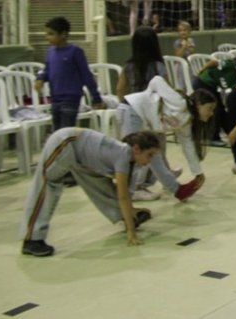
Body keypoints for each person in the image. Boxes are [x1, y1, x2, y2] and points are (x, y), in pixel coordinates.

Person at [20, 129, 160, 257]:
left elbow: (124, 194)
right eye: (150, 155)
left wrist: (131, 212)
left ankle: (126, 216)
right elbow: (123, 197)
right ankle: (32, 239)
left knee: (99, 183)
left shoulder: (129, 159)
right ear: (136, 149)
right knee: (48, 182)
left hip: (79, 154)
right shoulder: (123, 156)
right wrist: (131, 233)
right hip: (65, 141)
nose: (150, 160)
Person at [118, 76, 214, 201]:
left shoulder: (187, 121)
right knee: (132, 154)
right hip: (131, 109)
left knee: (154, 155)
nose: (211, 113)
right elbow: (157, 80)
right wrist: (147, 96)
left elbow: (188, 145)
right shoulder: (179, 102)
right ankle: (131, 190)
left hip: (142, 118)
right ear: (198, 104)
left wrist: (198, 173)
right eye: (209, 108)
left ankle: (177, 190)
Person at [35, 17, 103, 130]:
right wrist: (40, 78)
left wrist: (96, 97)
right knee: (57, 132)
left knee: (66, 132)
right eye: (46, 34)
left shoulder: (75, 52)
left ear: (63, 34)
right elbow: (47, 69)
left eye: (51, 34)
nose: (47, 37)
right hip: (55, 98)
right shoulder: (50, 52)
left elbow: (86, 75)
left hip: (70, 99)